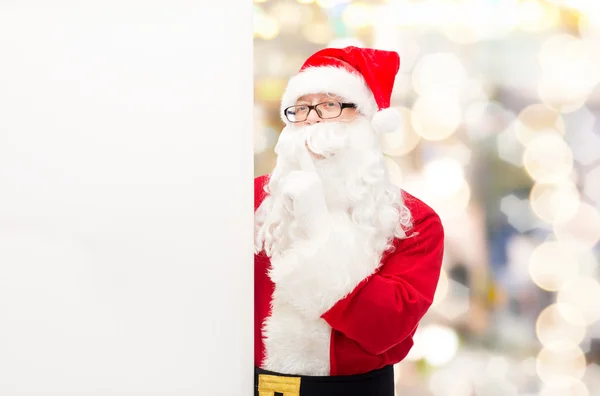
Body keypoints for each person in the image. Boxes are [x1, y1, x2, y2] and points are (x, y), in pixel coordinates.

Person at [254, 46, 445, 396]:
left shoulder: (415, 222)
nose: (312, 119)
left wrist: (317, 233)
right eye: (301, 108)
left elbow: (386, 327)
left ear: (366, 120)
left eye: (330, 105)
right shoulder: (252, 201)